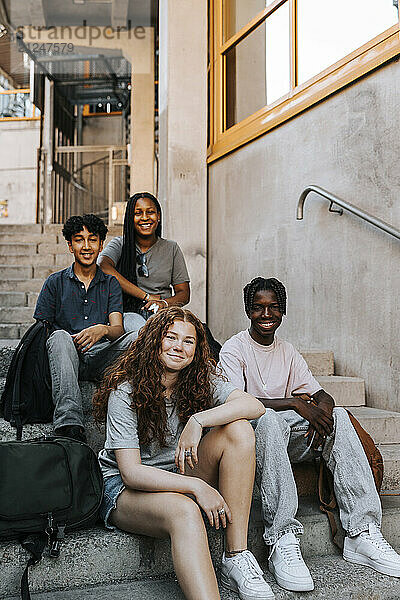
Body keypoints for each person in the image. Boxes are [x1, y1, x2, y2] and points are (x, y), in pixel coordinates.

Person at [219, 277, 400, 593]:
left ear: (283, 310)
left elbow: (319, 393)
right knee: (270, 419)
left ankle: (361, 532)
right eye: (258, 307)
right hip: (250, 443)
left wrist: (324, 414)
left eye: (273, 307)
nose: (266, 314)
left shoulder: (287, 351)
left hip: (288, 441)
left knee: (341, 416)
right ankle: (282, 538)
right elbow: (238, 402)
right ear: (248, 310)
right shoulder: (235, 349)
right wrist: (293, 402)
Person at [93, 307, 275, 600]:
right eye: (171, 337)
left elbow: (254, 405)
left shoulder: (198, 381)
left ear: (197, 349)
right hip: (125, 489)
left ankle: (236, 555)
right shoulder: (125, 391)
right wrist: (197, 486)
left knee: (239, 430)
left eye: (188, 341)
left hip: (179, 471)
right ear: (155, 341)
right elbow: (132, 472)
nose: (179, 346)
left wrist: (198, 420)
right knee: (184, 509)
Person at [34, 214, 136, 442]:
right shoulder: (55, 282)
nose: (87, 246)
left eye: (92, 239)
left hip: (103, 359)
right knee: (58, 337)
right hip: (67, 360)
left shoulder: (110, 283)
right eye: (79, 240)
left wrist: (103, 329)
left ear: (101, 244)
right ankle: (69, 424)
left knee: (137, 336)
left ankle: (139, 408)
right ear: (70, 245)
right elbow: (42, 332)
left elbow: (118, 329)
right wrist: (69, 341)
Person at [98, 192, 190, 333]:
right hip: (130, 313)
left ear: (158, 216)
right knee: (142, 331)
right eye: (138, 213)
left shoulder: (171, 248)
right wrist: (146, 296)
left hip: (162, 314)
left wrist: (163, 303)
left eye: (150, 212)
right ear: (130, 218)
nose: (145, 218)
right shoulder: (120, 244)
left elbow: (184, 293)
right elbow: (103, 267)